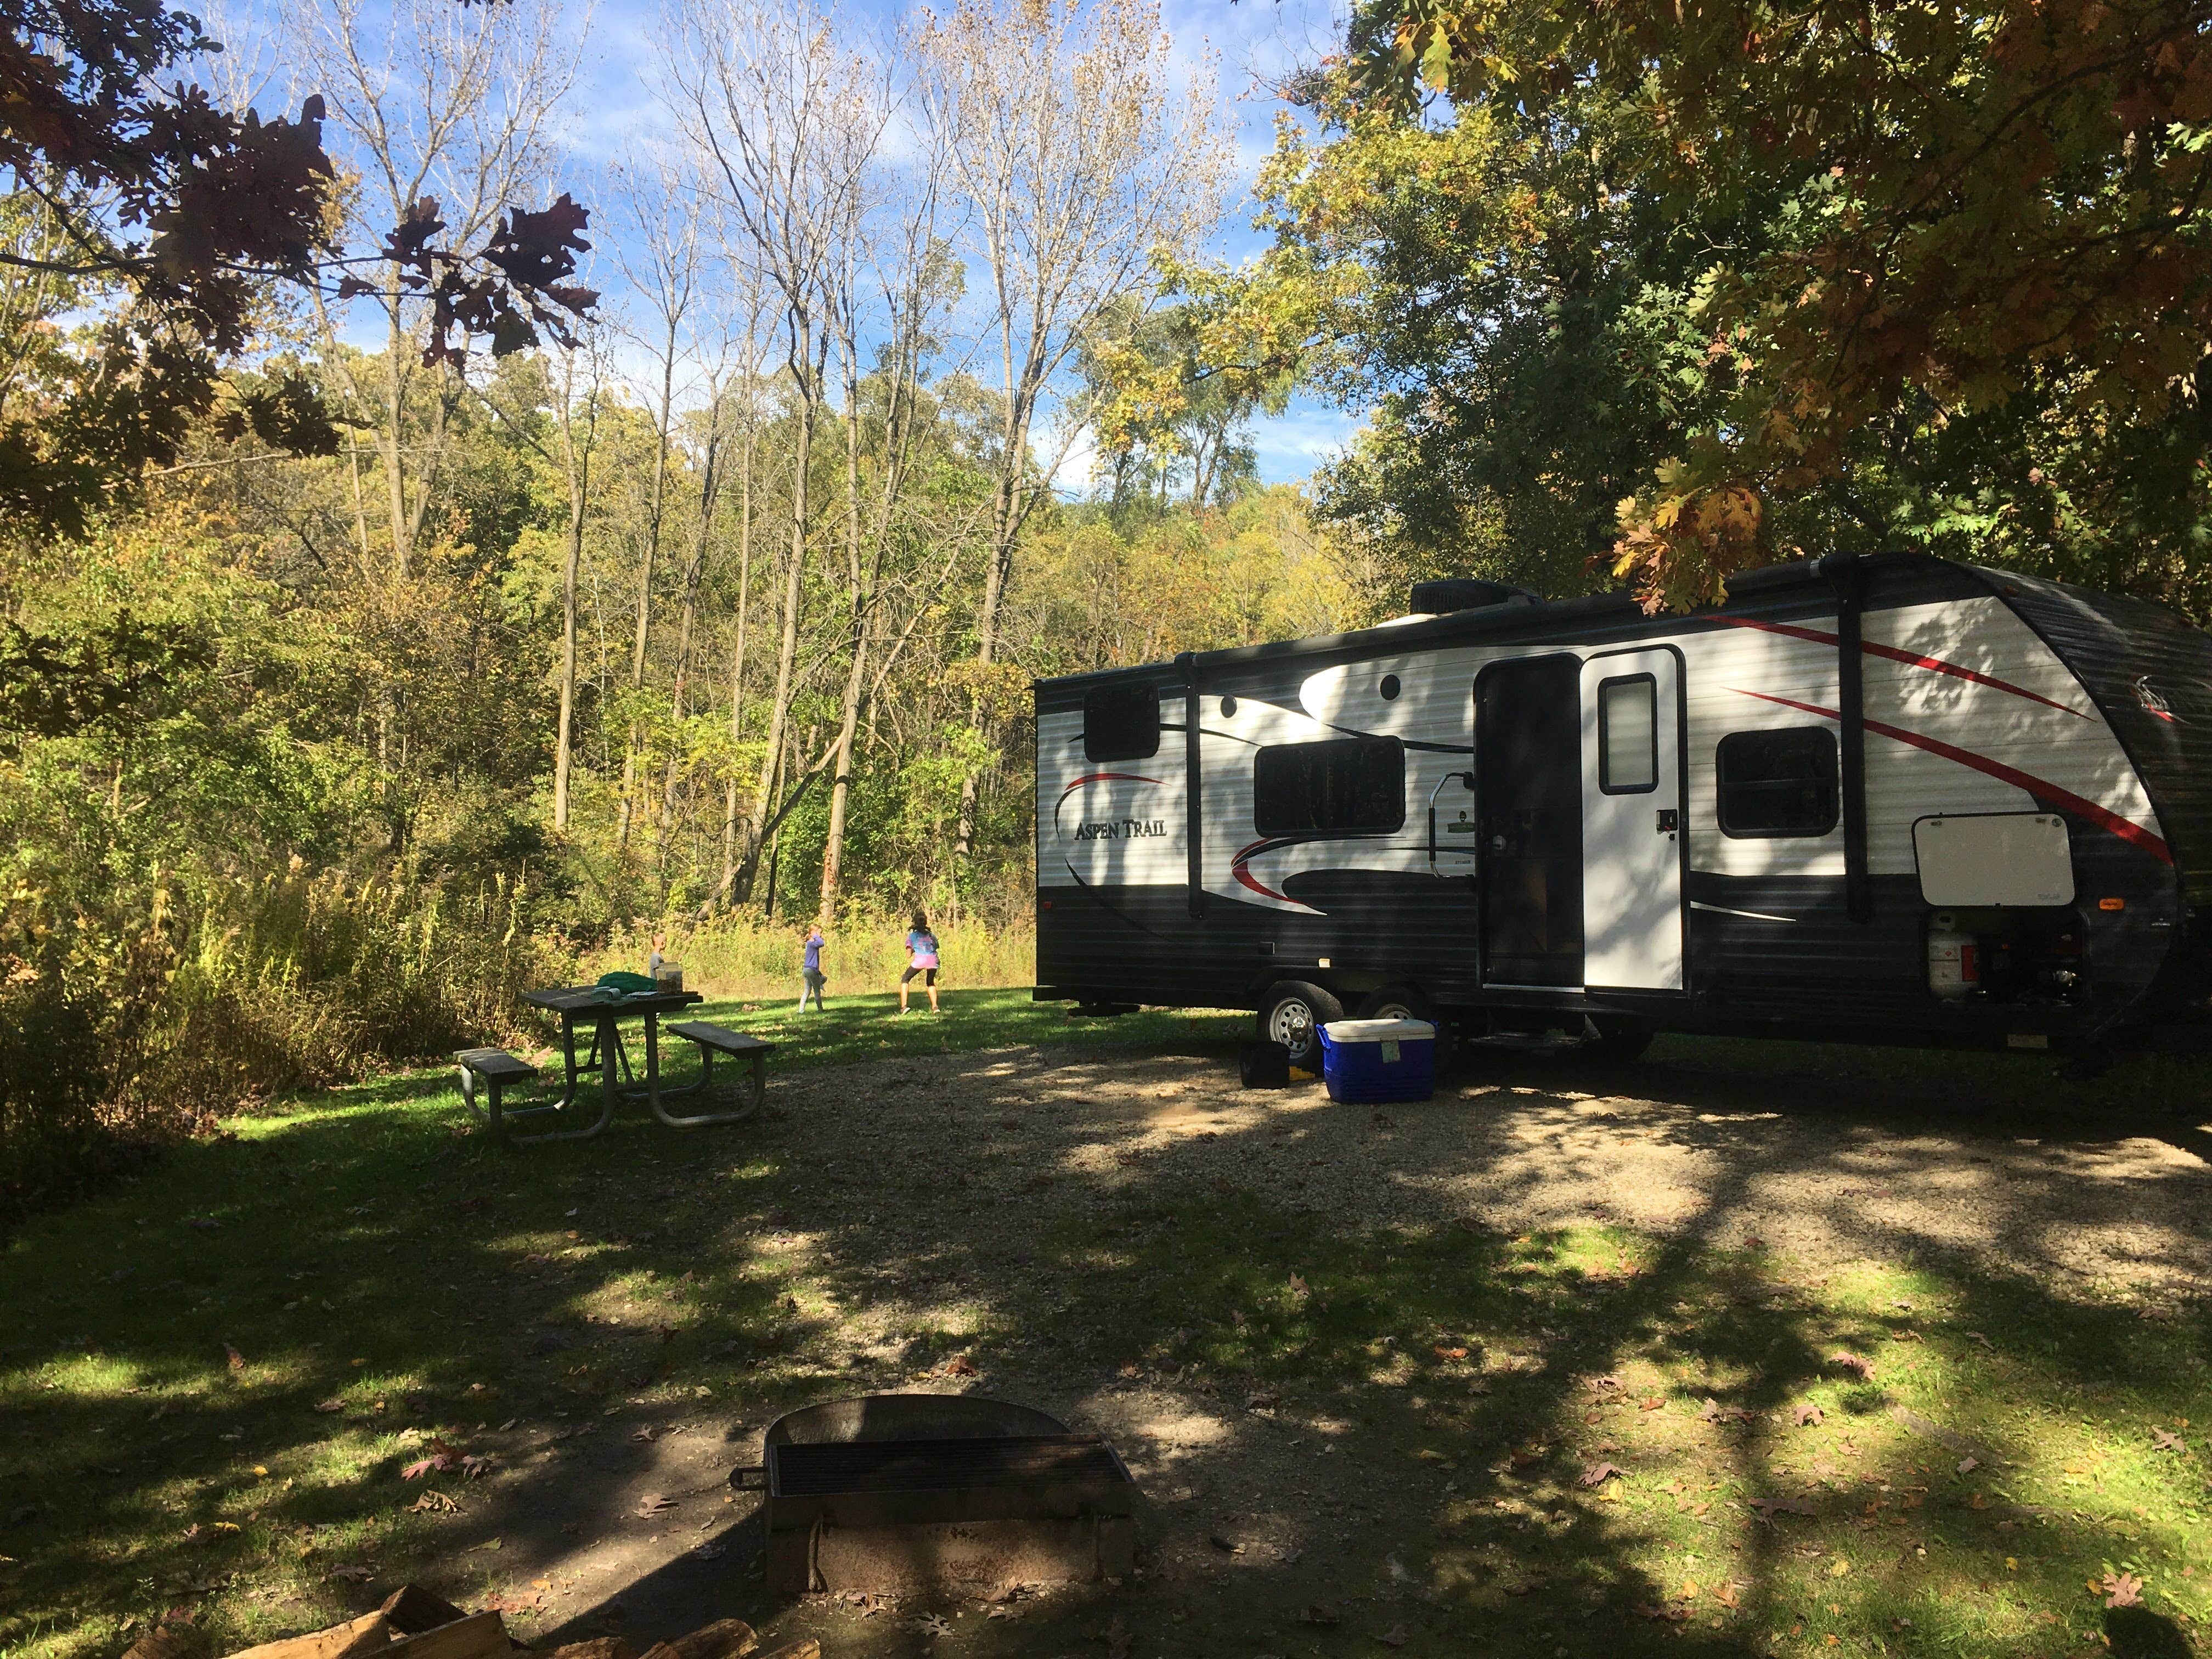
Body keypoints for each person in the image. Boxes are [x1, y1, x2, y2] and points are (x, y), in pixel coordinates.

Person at [899, 912, 940, 1013]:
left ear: (914, 922)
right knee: (930, 982)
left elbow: (908, 955)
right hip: (933, 960)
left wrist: (913, 950)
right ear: (925, 922)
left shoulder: (912, 936)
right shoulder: (931, 935)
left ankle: (904, 1007)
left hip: (920, 961)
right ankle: (935, 1008)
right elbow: (935, 947)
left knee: (905, 979)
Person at [798, 923, 828, 1013]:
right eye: (820, 933)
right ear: (814, 932)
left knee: (807, 991)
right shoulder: (813, 944)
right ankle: (820, 1010)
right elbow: (822, 943)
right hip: (811, 970)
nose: (821, 935)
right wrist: (815, 935)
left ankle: (801, 1010)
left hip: (806, 970)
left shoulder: (809, 944)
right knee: (817, 991)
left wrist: (814, 935)